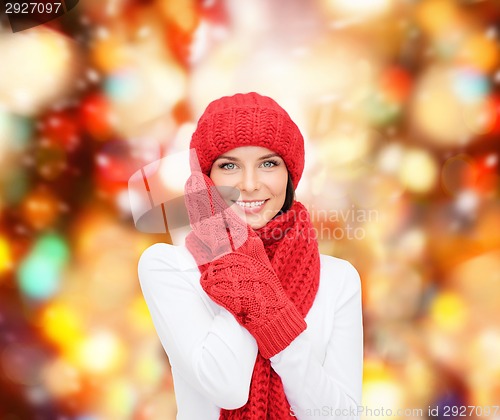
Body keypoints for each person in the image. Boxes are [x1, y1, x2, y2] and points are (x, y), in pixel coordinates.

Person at [138, 92, 363, 419]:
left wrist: (276, 324)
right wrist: (241, 267)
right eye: (229, 165)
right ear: (205, 179)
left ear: (290, 175)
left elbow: (341, 415)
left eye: (268, 163)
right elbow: (227, 386)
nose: (250, 184)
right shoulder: (167, 267)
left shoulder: (339, 278)